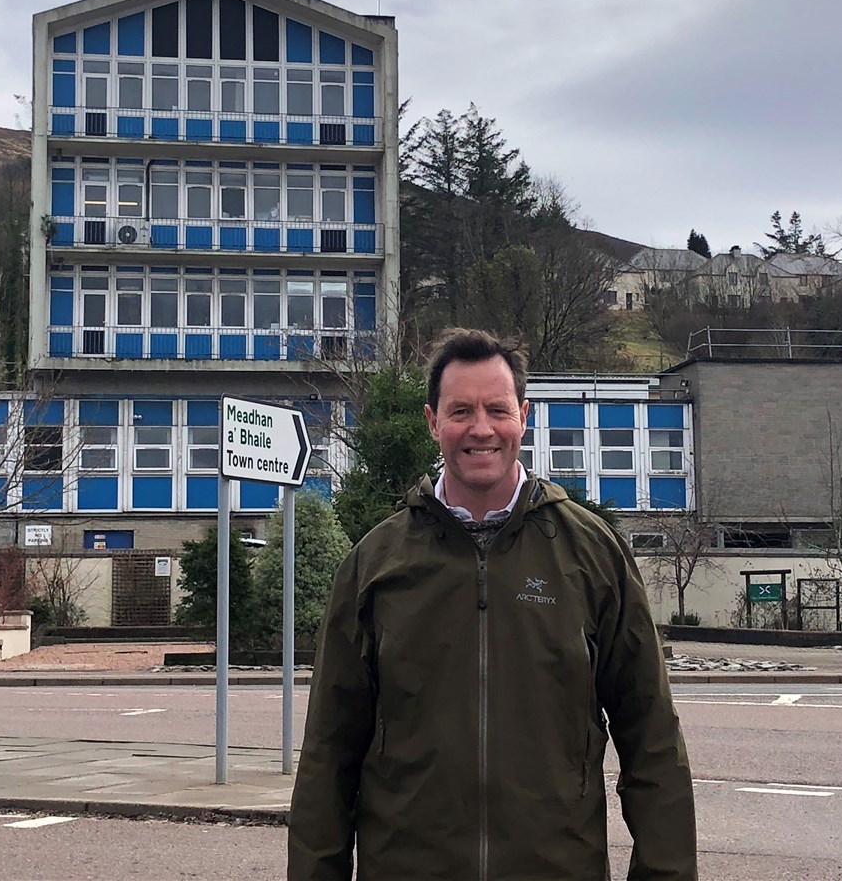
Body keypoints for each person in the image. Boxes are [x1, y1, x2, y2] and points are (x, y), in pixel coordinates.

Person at [288, 328, 696, 880]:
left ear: (522, 417)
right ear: (433, 422)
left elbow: (652, 742)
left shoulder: (593, 555)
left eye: (497, 410)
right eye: (460, 411)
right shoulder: (374, 567)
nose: (480, 429)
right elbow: (327, 758)